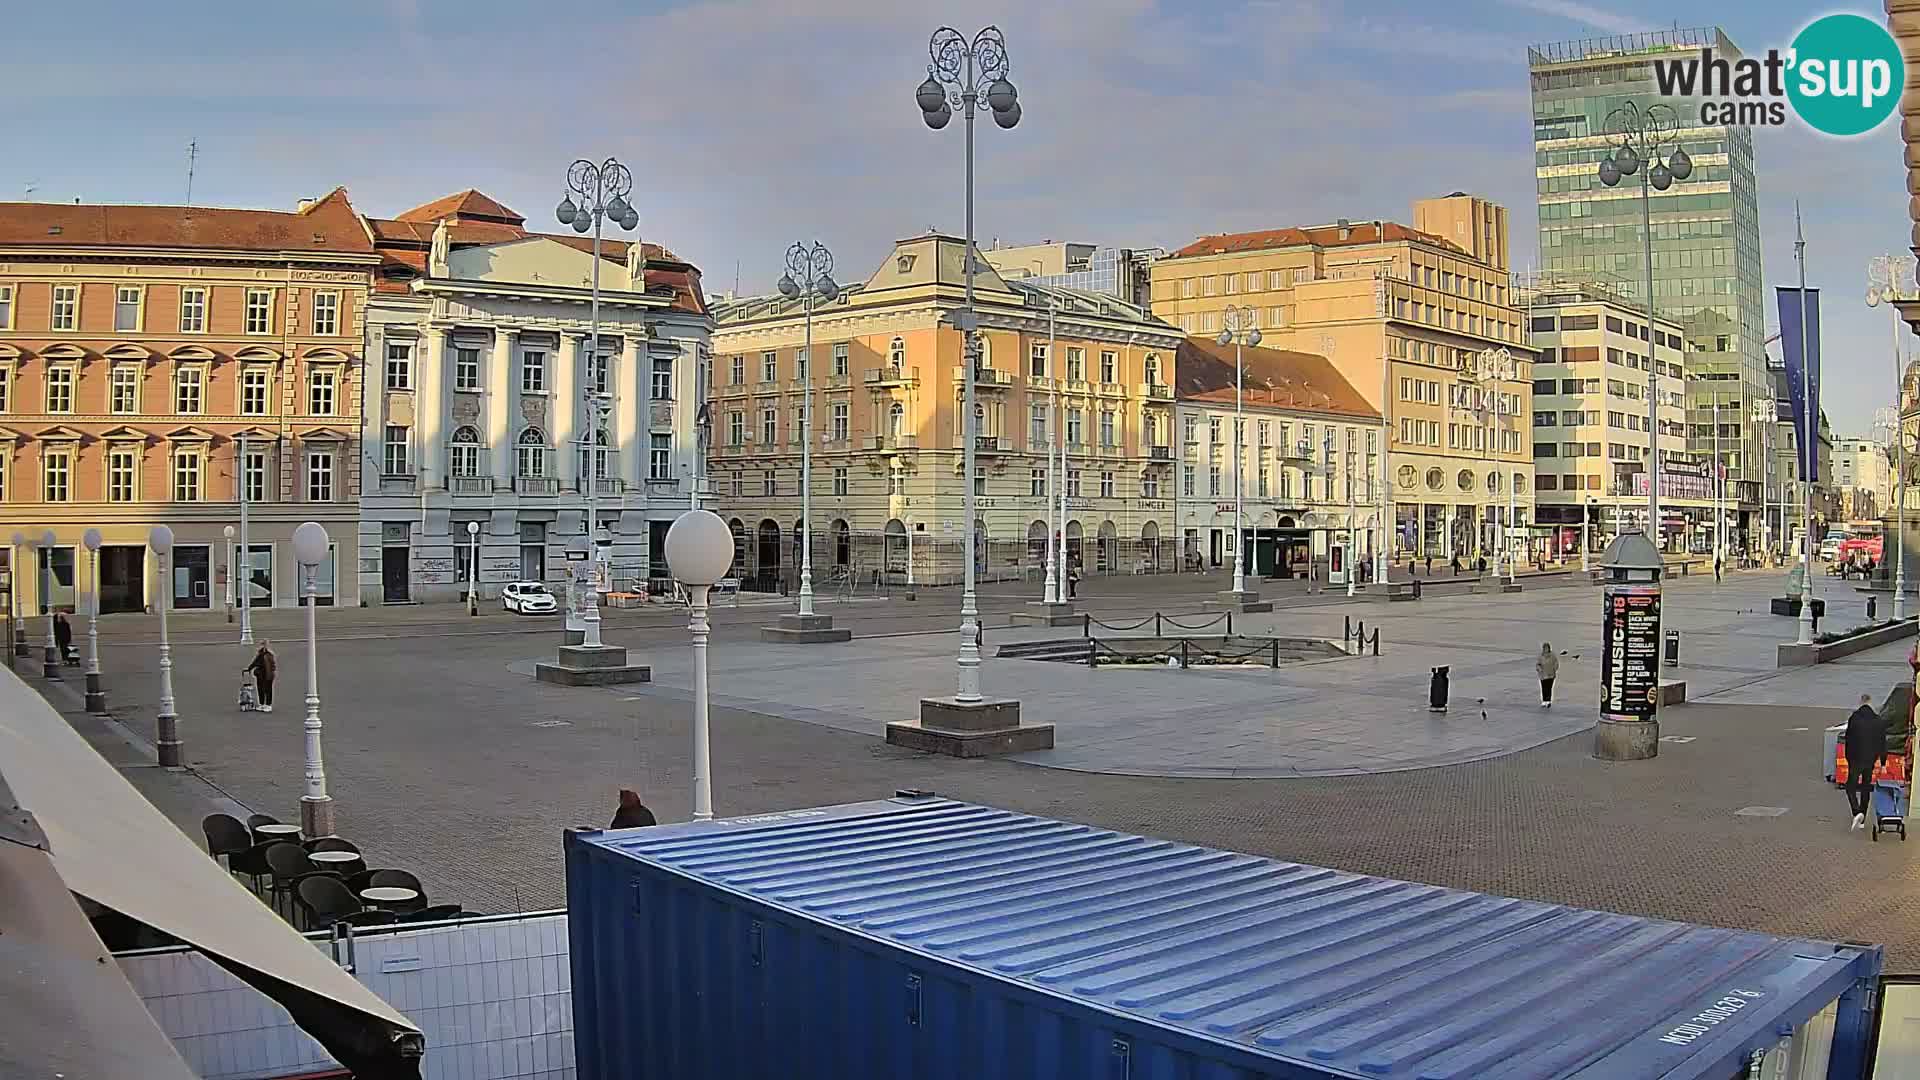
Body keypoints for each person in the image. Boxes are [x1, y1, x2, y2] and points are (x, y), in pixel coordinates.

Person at [1844, 692, 1889, 831]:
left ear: (1861, 702)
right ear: (1870, 703)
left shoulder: (1854, 718)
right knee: (1865, 787)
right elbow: (1882, 742)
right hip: (1870, 759)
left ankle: (1857, 812)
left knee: (1850, 786)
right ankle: (1862, 816)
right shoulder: (1878, 720)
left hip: (1855, 758)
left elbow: (1848, 739)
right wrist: (1882, 762)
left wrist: (1848, 757)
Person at [244, 641, 277, 714]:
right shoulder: (260, 654)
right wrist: (249, 668)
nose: (263, 646)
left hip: (268, 675)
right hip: (260, 674)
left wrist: (272, 673)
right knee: (260, 689)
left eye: (264, 644)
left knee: (268, 690)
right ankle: (261, 704)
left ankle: (268, 705)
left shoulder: (269, 654)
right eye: (262, 645)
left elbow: (272, 665)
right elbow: (255, 662)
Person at [1535, 642, 1559, 708]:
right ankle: (1544, 701)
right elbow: (1537, 664)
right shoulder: (1540, 656)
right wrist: (1539, 669)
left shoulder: (1552, 655)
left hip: (1551, 674)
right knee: (1544, 688)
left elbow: (1556, 663)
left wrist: (1555, 668)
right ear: (1543, 649)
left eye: (1547, 648)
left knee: (1549, 688)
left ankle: (1548, 701)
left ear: (1549, 648)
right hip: (1543, 675)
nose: (1546, 649)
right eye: (1545, 648)